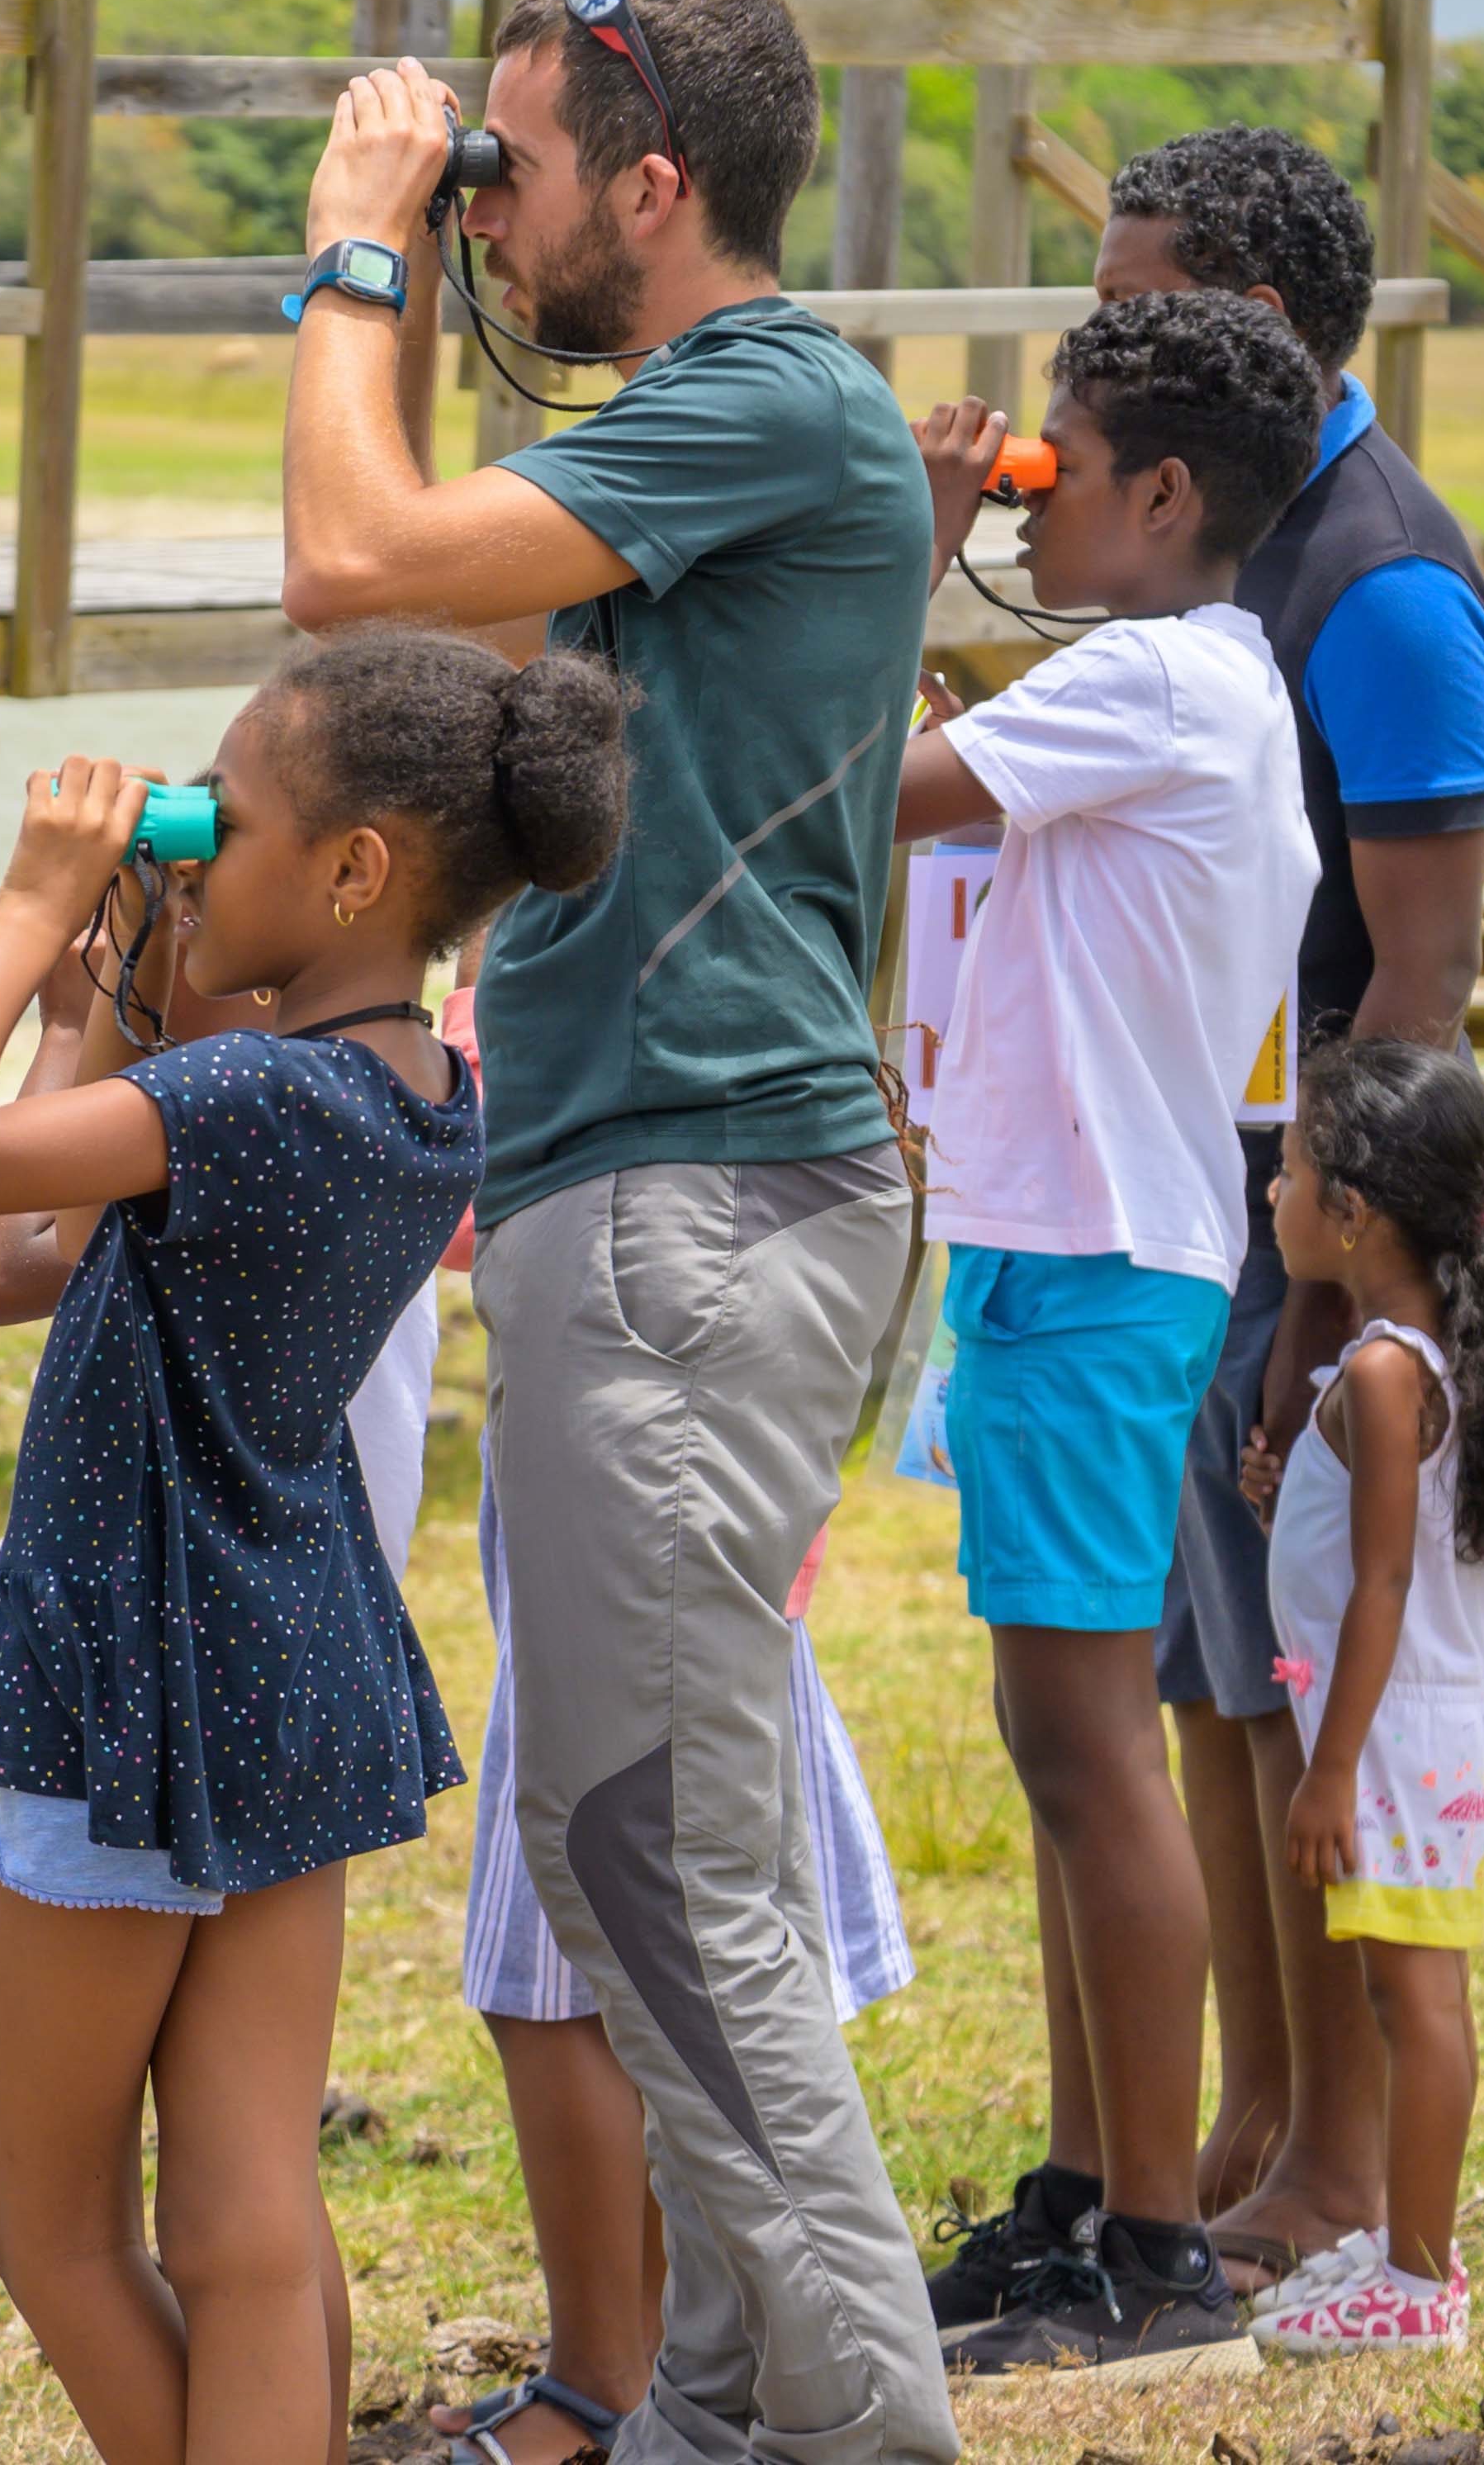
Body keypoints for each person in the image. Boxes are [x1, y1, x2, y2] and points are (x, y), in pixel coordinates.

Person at [284, 0, 952, 2465]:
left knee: (664, 1870)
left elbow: (350, 552)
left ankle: (862, 2432)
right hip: (652, 1191)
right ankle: (709, 2406)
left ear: (652, 188)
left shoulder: (770, 398)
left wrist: (354, 241)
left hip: (696, 1202)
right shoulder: (707, 426)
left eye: (518, 174)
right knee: (635, 1850)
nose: (487, 213)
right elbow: (434, 630)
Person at [0, 628, 633, 2465]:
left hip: (123, 1680)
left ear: (354, 867)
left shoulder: (244, 1099)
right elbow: (6, 1265)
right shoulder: (422, 1093)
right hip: (299, 1666)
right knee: (243, 2222)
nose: (197, 848)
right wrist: (121, 973)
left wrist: (40, 908)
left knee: (47, 2221)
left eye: (237, 818)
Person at [1069, 129, 1484, 2319]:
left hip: (1313, 1203)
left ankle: (1343, 2160)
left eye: (1136, 294)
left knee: (1296, 1667)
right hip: (1202, 1169)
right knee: (1213, 1679)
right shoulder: (1229, 533)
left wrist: (1330, 1280)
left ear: (1246, 311)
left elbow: (1419, 972)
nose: (1106, 336)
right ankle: (1255, 2110)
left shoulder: (1387, 580)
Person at [888, 295, 1323, 2381]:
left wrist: (916, 531)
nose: (1030, 490)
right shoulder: (1198, 683)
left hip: (1087, 1260)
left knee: (1086, 1752)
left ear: (1161, 494)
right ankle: (1087, 2192)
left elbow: (850, 797)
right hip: (1084, 1246)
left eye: (1058, 461)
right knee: (1067, 1745)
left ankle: (1157, 2252)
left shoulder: (1147, 675)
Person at [415, 981, 922, 2465]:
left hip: (644, 1616)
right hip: (627, 1601)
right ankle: (693, 2378)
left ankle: (614, 2376)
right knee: (671, 1975)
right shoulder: (696, 1038)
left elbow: (460, 1192)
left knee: (606, 1977)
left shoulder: (617, 1048)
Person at [1230, 1042, 1484, 2358]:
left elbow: (1384, 1588)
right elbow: (1371, 1549)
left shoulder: (1387, 1376)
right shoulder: (1398, 1364)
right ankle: (1400, 2251)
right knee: (1410, 1997)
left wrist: (1327, 1774)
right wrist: (1289, 1502)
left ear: (1354, 1211)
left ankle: (1425, 2280)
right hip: (1402, 1734)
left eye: (1290, 1170)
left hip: (1389, 1745)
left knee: (1417, 2005)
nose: (1274, 1193)